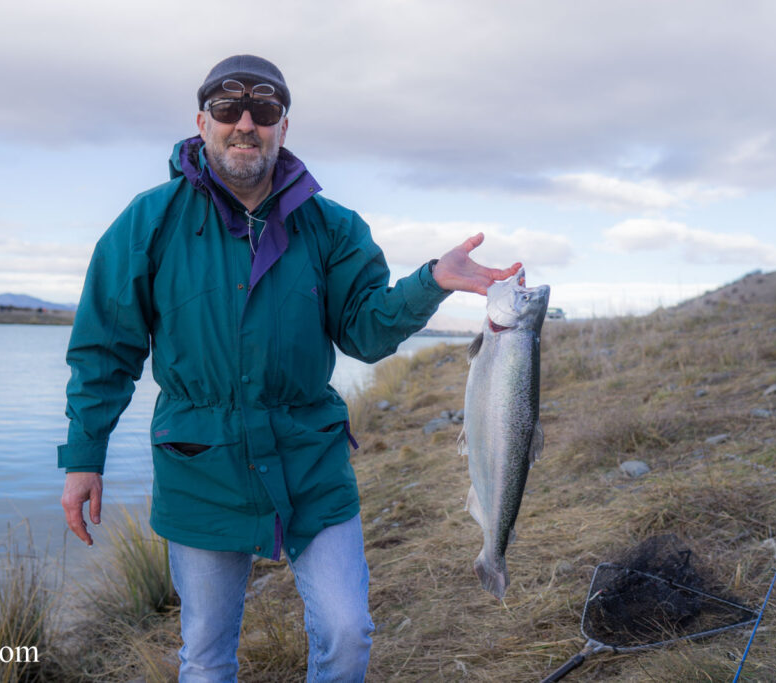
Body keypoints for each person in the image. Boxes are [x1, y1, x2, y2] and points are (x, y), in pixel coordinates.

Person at [59, 54, 520, 682]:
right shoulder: (148, 222)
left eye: (264, 109)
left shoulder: (333, 228)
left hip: (311, 460)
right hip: (200, 465)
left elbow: (365, 330)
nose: (245, 123)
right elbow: (105, 349)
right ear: (202, 122)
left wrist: (431, 282)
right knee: (205, 654)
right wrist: (84, 457)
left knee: (346, 633)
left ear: (283, 125)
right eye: (228, 108)